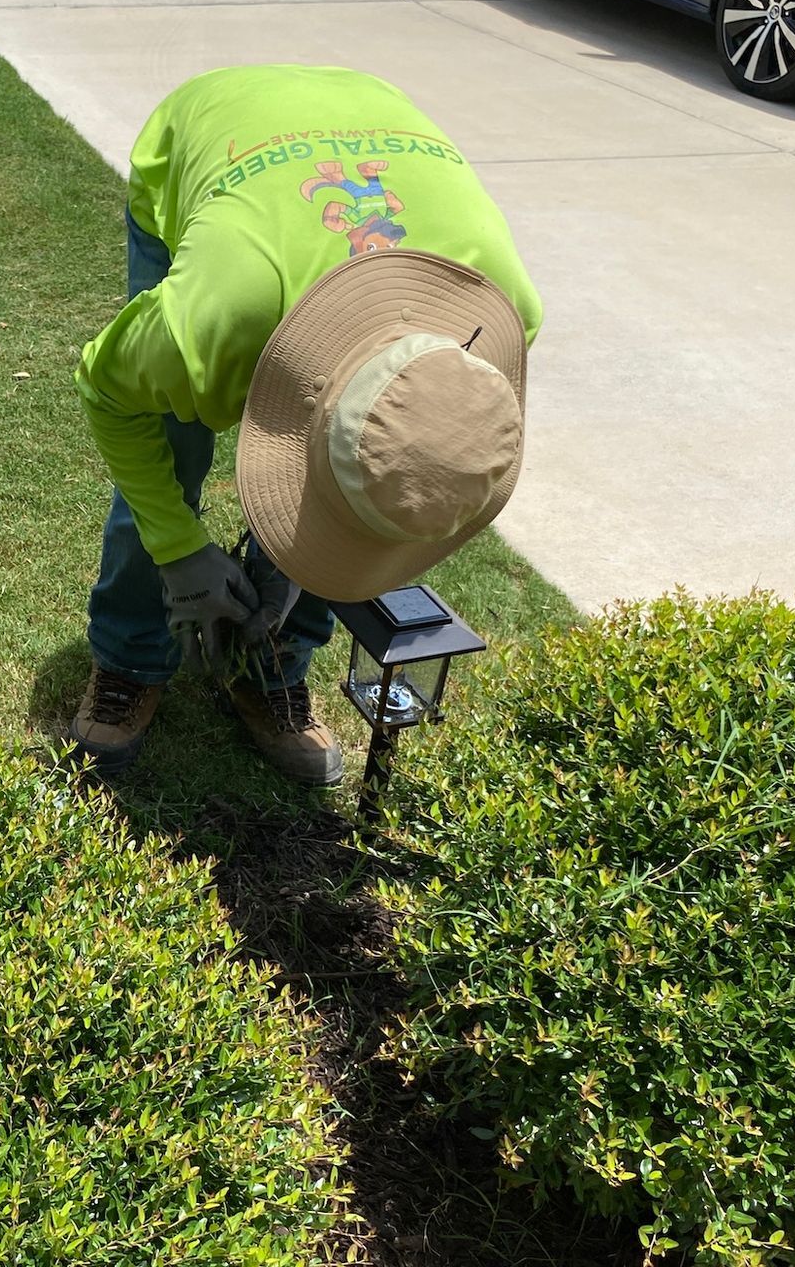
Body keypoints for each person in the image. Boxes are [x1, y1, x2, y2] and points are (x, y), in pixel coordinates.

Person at [68, 65, 543, 783]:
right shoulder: (211, 318)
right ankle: (131, 655)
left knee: (360, 492)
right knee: (174, 438)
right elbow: (109, 391)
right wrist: (177, 549)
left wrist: (303, 558)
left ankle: (273, 669)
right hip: (218, 133)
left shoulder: (501, 319)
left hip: (369, 107)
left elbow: (377, 474)